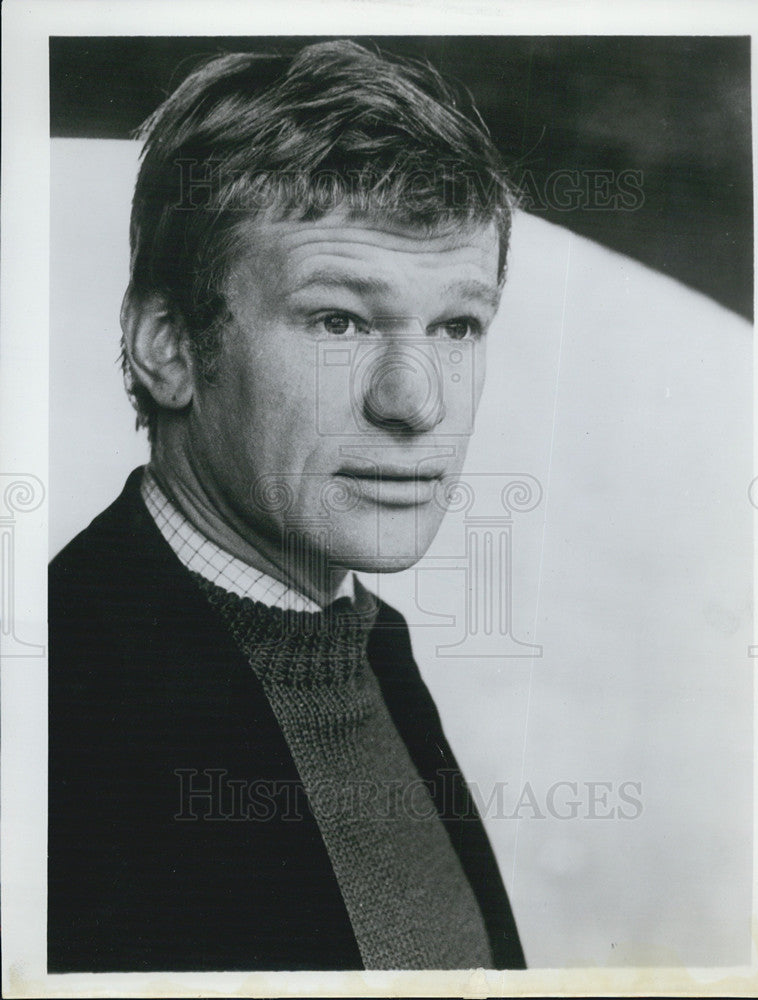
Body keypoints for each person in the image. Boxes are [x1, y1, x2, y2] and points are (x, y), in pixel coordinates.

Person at [48, 40, 525, 972]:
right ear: (169, 346)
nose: (416, 402)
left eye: (457, 326)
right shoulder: (54, 707)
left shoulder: (364, 642)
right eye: (338, 321)